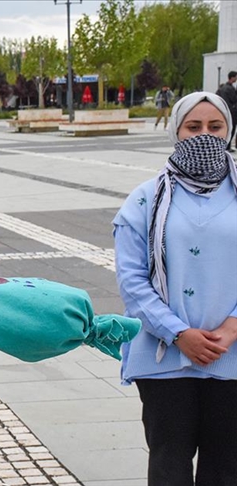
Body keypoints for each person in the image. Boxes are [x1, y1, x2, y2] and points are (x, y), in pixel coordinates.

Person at [113, 92, 237, 486]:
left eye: (215, 127)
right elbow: (132, 282)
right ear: (175, 131)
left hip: (231, 356)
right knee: (169, 466)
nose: (205, 136)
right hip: (165, 357)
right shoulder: (145, 200)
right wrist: (178, 333)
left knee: (227, 467)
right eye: (193, 127)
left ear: (229, 131)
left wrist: (233, 327)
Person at [216, 71, 237, 152]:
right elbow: (234, 99)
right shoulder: (230, 88)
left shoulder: (222, 88)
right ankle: (227, 146)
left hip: (223, 110)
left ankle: (224, 146)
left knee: (226, 128)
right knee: (232, 128)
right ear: (232, 77)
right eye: (235, 77)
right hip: (232, 111)